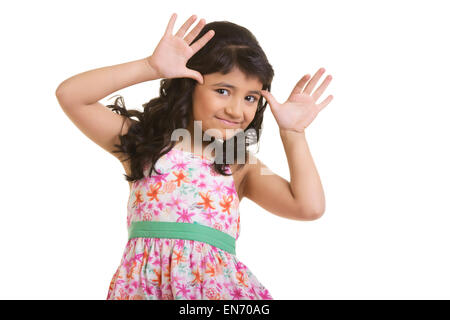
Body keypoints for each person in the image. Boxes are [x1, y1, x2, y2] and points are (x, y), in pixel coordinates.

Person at [55, 12, 333, 300]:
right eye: (223, 90)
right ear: (188, 83)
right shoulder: (144, 146)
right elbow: (71, 95)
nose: (237, 111)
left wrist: (294, 134)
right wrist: (150, 67)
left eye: (250, 97)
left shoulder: (239, 164)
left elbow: (308, 207)